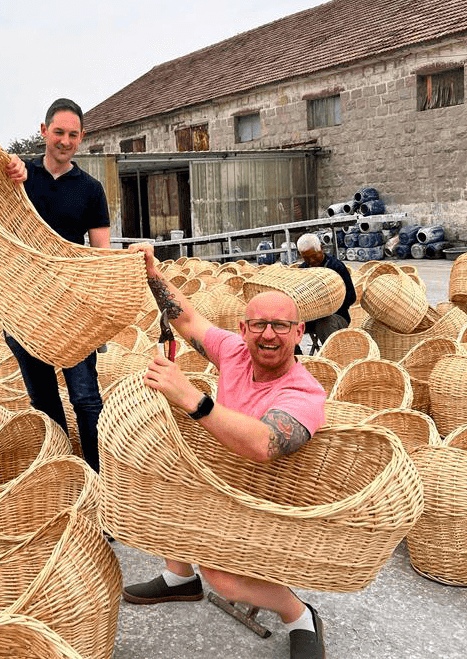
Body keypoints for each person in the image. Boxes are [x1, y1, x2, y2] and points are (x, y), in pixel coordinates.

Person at [121, 242, 328, 659]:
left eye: (281, 326)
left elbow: (264, 445)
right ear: (243, 327)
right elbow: (189, 319)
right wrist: (151, 273)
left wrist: (193, 399)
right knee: (168, 480)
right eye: (259, 325)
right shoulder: (234, 351)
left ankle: (299, 614)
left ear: (299, 331)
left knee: (224, 576)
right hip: (222, 476)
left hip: (265, 495)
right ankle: (180, 577)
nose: (268, 335)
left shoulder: (304, 392)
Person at [2, 98, 111, 472]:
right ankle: (66, 475)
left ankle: (100, 480)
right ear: (44, 131)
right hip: (24, 307)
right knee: (45, 401)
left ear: (82, 138)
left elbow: (101, 253)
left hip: (71, 309)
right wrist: (9, 165)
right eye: (59, 132)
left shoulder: (91, 190)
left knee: (85, 399)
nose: (65, 141)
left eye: (73, 135)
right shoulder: (20, 177)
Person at [296, 232, 357, 347]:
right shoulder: (302, 270)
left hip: (337, 317)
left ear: (321, 249)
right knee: (286, 324)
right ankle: (296, 359)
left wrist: (329, 306)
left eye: (314, 256)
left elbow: (351, 297)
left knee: (325, 322)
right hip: (310, 318)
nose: (312, 261)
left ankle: (333, 357)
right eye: (307, 258)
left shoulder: (336, 267)